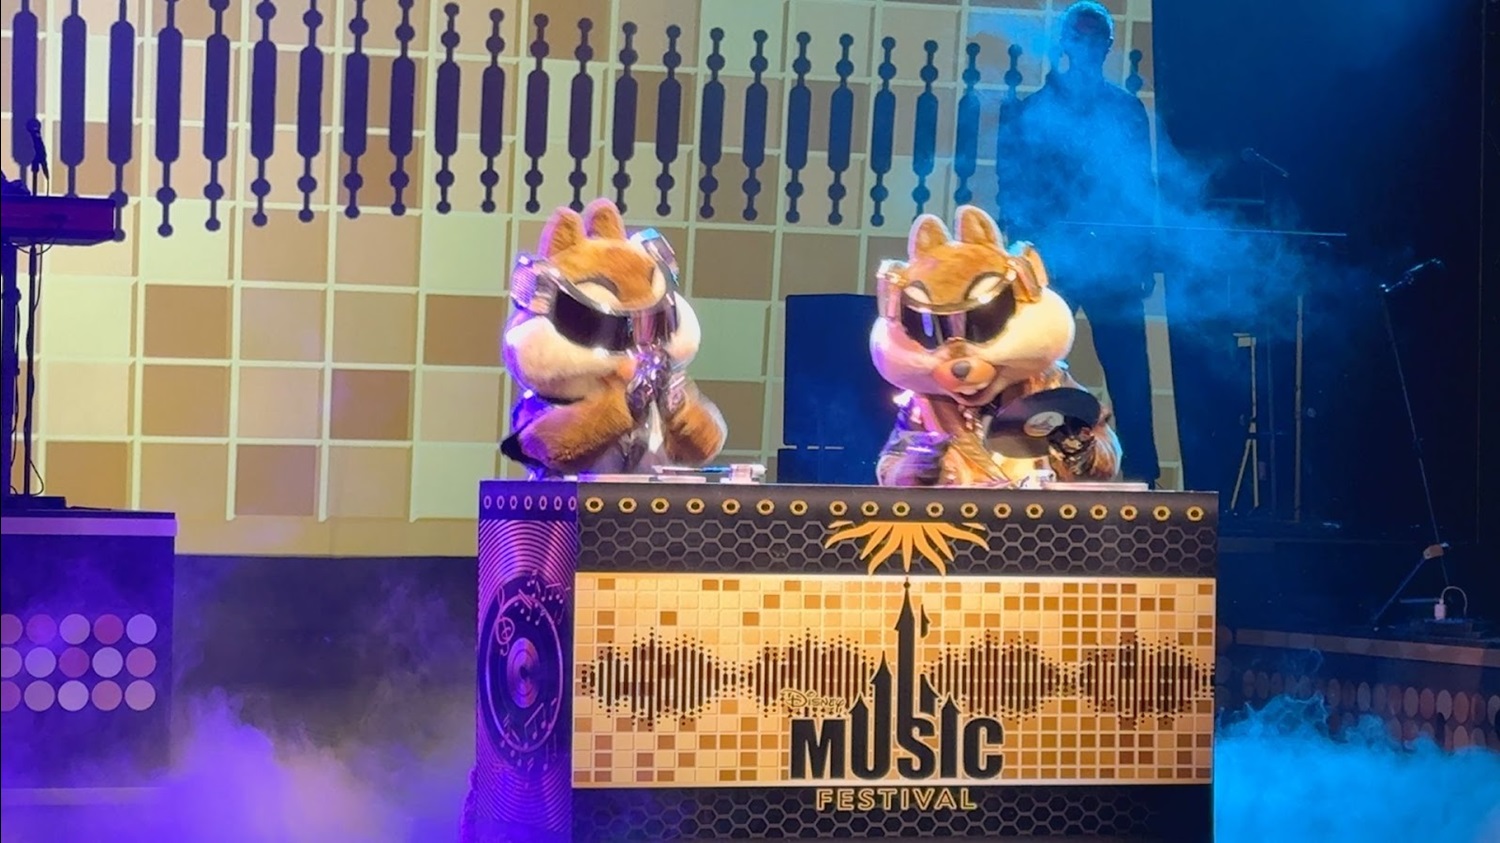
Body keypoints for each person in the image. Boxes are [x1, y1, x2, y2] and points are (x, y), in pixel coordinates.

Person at [997, 0, 1161, 487]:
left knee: (1130, 372)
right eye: (1079, 36)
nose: (1087, 45)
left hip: (1115, 260)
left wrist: (1145, 257)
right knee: (1036, 365)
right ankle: (1027, 465)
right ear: (1065, 42)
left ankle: (1143, 474)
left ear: (1107, 46)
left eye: (1096, 38)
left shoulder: (1126, 110)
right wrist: (1023, 256)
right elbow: (1012, 189)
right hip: (1053, 259)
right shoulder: (1030, 111)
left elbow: (1142, 188)